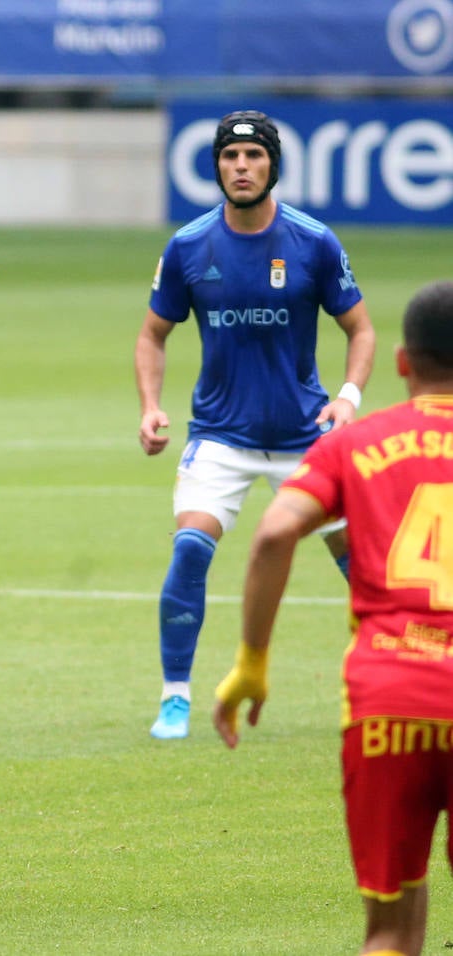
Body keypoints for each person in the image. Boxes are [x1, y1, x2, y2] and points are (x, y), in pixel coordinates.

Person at [213, 279, 453, 956]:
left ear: (404, 362)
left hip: (388, 699)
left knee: (389, 932)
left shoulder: (352, 444)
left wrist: (251, 666)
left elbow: (270, 536)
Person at [134, 108, 376, 739]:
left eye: (254, 157)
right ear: (216, 166)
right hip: (221, 436)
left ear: (273, 164)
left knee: (363, 562)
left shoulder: (313, 242)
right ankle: (176, 697)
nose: (241, 167)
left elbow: (361, 329)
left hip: (306, 439)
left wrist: (348, 396)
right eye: (229, 158)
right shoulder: (189, 245)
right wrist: (151, 406)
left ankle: (383, 682)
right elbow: (152, 335)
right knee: (190, 549)